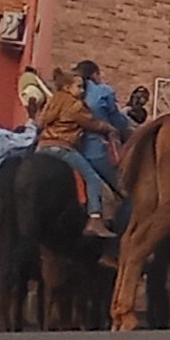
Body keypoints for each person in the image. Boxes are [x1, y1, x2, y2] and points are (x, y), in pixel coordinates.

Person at [34, 67, 120, 236]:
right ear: (67, 88)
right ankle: (94, 218)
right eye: (79, 87)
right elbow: (93, 123)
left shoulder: (53, 102)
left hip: (42, 146)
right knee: (92, 179)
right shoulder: (75, 105)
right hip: (62, 147)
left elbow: (40, 123)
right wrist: (110, 128)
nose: (81, 91)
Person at [74, 60, 133, 222]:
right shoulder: (103, 91)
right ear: (94, 74)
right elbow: (118, 121)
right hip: (98, 151)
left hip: (75, 149)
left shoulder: (71, 93)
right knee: (128, 190)